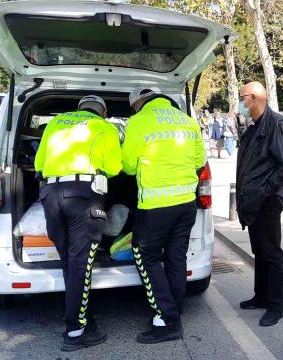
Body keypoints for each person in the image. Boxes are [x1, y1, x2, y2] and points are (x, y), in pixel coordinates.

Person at [34, 95, 122, 351]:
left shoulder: (56, 124)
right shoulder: (104, 127)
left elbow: (39, 164)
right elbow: (115, 168)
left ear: (80, 109)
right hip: (83, 197)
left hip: (51, 196)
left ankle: (83, 317)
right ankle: (75, 330)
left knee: (70, 264)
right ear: (102, 112)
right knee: (81, 264)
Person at [122, 87, 206, 344]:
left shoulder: (138, 122)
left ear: (138, 104)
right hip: (186, 204)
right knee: (175, 257)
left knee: (144, 255)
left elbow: (127, 166)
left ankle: (167, 319)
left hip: (156, 206)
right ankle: (175, 309)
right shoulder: (188, 121)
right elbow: (199, 162)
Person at [236, 81, 283, 326]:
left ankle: (276, 306)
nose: (240, 103)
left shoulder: (276, 124)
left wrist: (264, 190)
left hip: (268, 200)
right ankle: (260, 296)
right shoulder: (254, 126)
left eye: (242, 98)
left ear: (254, 98)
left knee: (271, 252)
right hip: (253, 200)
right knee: (259, 250)